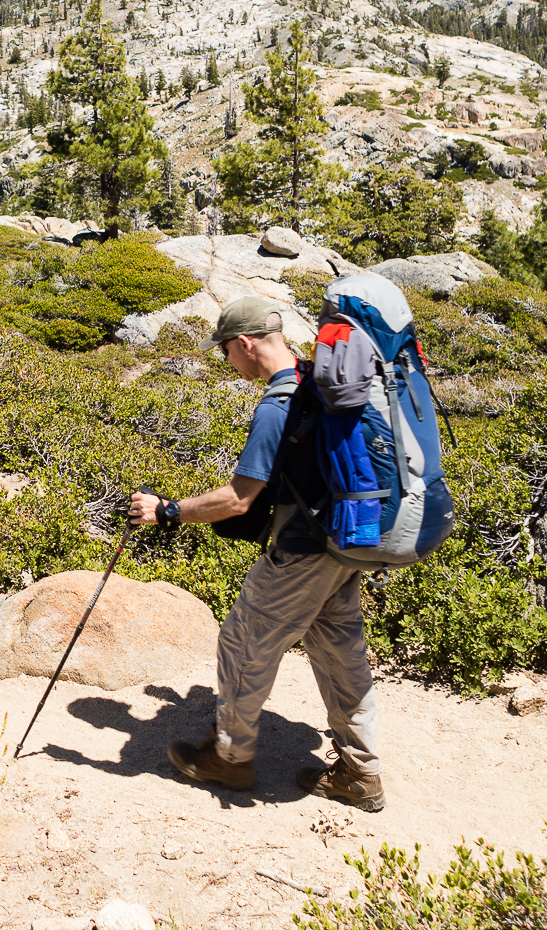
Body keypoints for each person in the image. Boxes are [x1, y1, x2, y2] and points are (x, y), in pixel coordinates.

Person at [127, 294, 384, 812]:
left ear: (244, 343)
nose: (228, 362)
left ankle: (230, 757)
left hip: (305, 550)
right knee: (338, 653)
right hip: (351, 539)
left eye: (226, 352)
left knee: (243, 641)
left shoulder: (278, 403)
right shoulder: (316, 379)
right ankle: (362, 772)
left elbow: (238, 499)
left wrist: (168, 510)